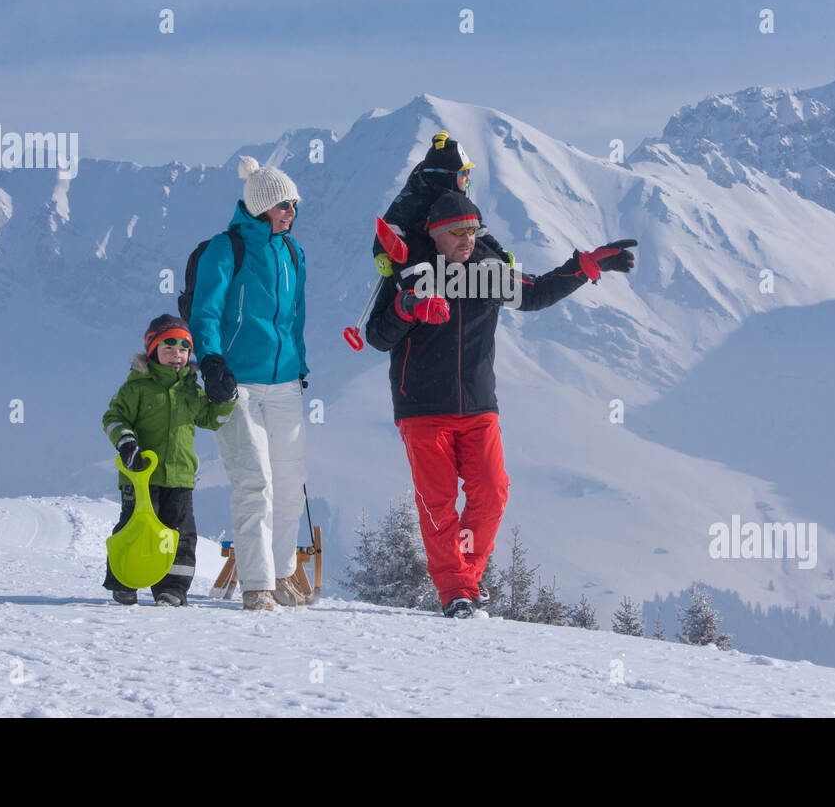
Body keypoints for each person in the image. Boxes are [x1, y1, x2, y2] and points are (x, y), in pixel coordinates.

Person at [364, 189, 636, 618]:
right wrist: (409, 307)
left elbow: (538, 292)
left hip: (478, 407)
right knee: (437, 505)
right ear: (435, 235)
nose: (466, 239)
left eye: (472, 230)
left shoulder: (488, 274)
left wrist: (586, 266)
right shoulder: (408, 273)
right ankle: (455, 590)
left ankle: (466, 580)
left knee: (491, 494)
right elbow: (376, 336)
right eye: (457, 232)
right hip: (422, 409)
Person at [189, 156, 310, 611]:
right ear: (261, 206)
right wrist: (212, 361)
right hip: (237, 384)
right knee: (254, 480)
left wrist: (300, 363)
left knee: (290, 480)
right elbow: (206, 310)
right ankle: (255, 584)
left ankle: (281, 574)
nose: (290, 214)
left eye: (294, 206)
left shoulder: (293, 253)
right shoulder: (226, 248)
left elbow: (295, 316)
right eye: (283, 206)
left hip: (285, 384)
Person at [102, 314, 236, 606]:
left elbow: (213, 419)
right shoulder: (137, 387)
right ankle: (124, 581)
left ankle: (173, 588)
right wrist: (126, 443)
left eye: (183, 348)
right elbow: (114, 418)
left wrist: (227, 397)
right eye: (168, 347)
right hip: (140, 475)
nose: (177, 355)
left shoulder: (190, 389)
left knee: (181, 535)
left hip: (179, 476)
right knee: (133, 528)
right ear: (152, 350)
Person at [372, 130, 513, 277]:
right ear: (448, 176)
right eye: (464, 174)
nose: (468, 180)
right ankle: (418, 295)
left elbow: (477, 231)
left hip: (454, 259)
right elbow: (390, 226)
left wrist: (497, 251)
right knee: (413, 255)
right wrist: (383, 253)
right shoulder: (413, 199)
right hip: (423, 261)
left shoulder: (461, 205)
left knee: (472, 244)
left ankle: (495, 279)